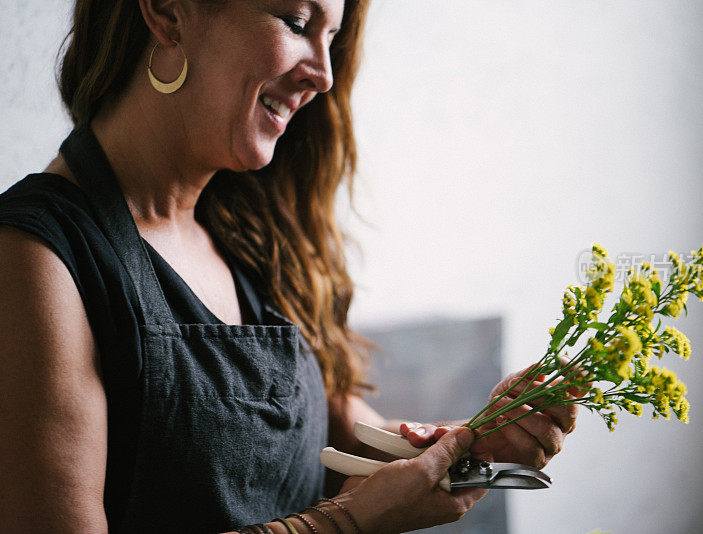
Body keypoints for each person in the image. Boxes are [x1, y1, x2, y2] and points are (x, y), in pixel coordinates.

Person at [0, 0, 578, 532]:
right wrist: (343, 524)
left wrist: (471, 443)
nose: (323, 74)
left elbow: (330, 442)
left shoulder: (251, 235)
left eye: (332, 37)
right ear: (168, 12)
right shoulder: (35, 257)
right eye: (297, 22)